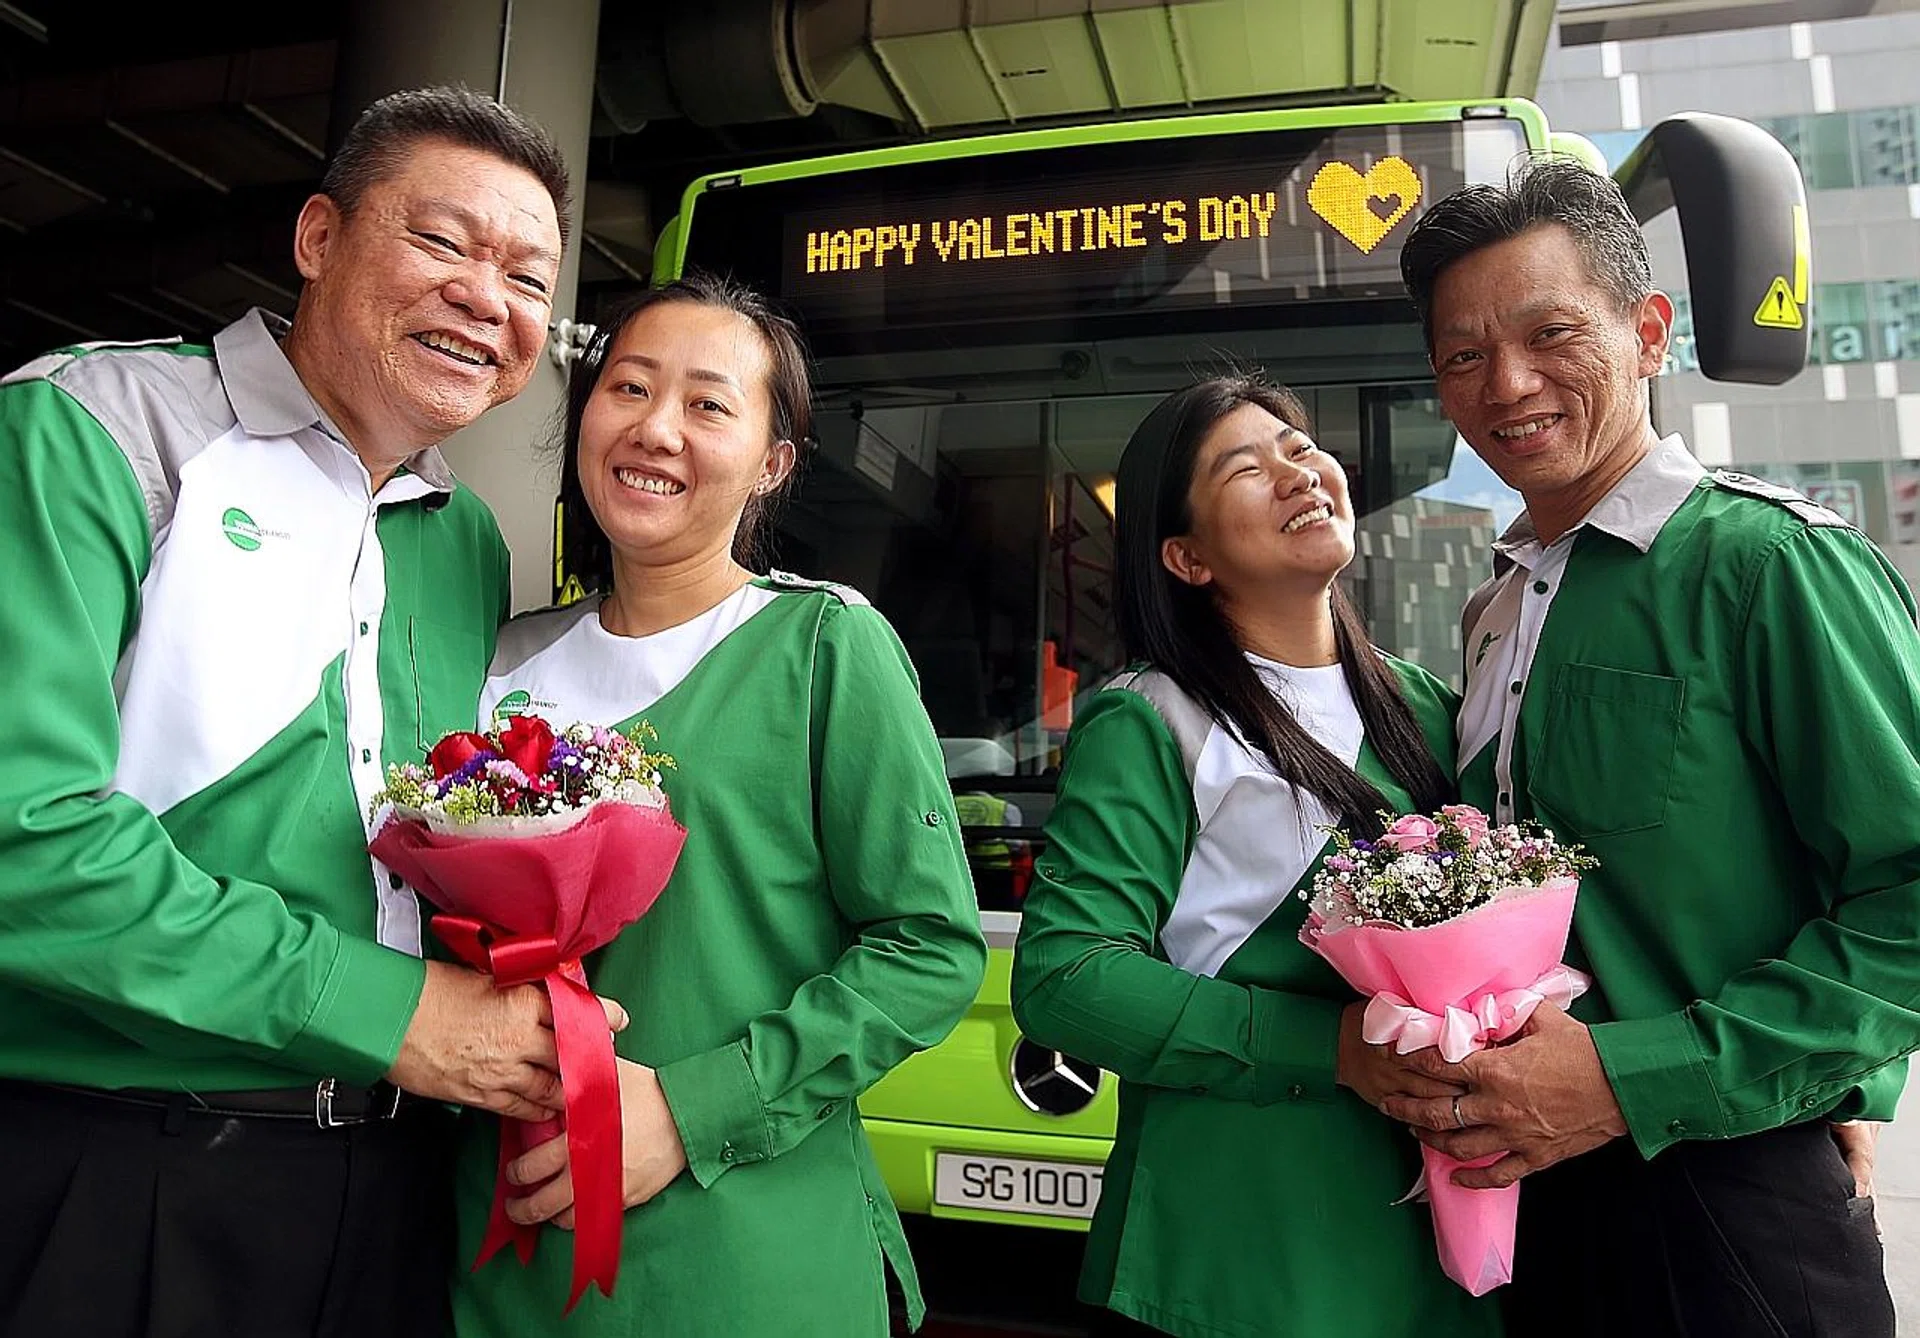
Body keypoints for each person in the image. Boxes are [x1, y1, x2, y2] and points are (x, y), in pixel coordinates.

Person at [0, 86, 622, 1338]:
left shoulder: (466, 544)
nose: (488, 300)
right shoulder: (94, 428)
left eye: (528, 278)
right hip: (119, 1164)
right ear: (319, 239)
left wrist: (540, 1012)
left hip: (390, 1188)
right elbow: (26, 838)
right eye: (442, 243)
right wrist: (397, 1015)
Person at [1382, 156, 1916, 1337]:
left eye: (1549, 334)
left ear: (1649, 331)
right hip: (1536, 1203)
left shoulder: (1770, 565)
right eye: (1462, 356)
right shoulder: (1496, 609)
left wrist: (1651, 1078)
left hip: (1726, 1206)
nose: (1506, 385)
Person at [461, 272, 988, 1335]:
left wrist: (692, 1113)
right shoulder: (499, 654)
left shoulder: (824, 646)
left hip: (736, 1246)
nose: (655, 430)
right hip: (501, 1234)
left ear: (771, 464)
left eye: (708, 405)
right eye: (628, 389)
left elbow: (931, 948)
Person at [1008, 374, 1502, 1338]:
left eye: (1297, 446)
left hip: (1439, 1215)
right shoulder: (1154, 720)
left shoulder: (1429, 709)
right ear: (1187, 557)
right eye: (1246, 465)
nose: (1298, 471)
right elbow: (1069, 980)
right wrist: (1333, 1050)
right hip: (1240, 1238)